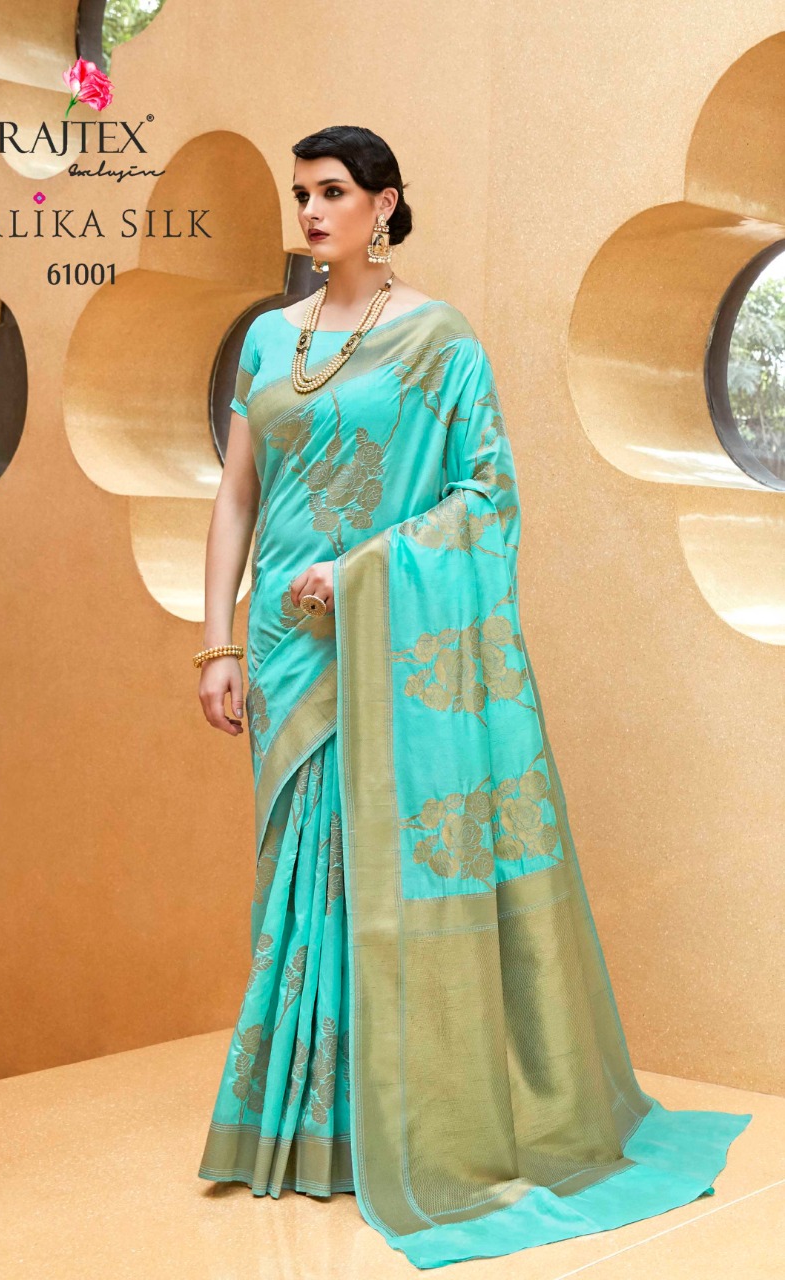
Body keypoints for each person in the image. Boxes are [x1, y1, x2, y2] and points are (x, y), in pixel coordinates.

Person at [195, 124, 752, 1269]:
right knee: (301, 870)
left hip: (377, 631)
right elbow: (235, 497)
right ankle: (305, 1119)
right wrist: (216, 644)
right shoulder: (264, 338)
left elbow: (486, 497)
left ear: (384, 203)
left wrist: (361, 574)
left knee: (374, 862)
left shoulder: (437, 340)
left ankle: (394, 1120)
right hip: (288, 646)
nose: (311, 211)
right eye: (300, 193)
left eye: (332, 191)